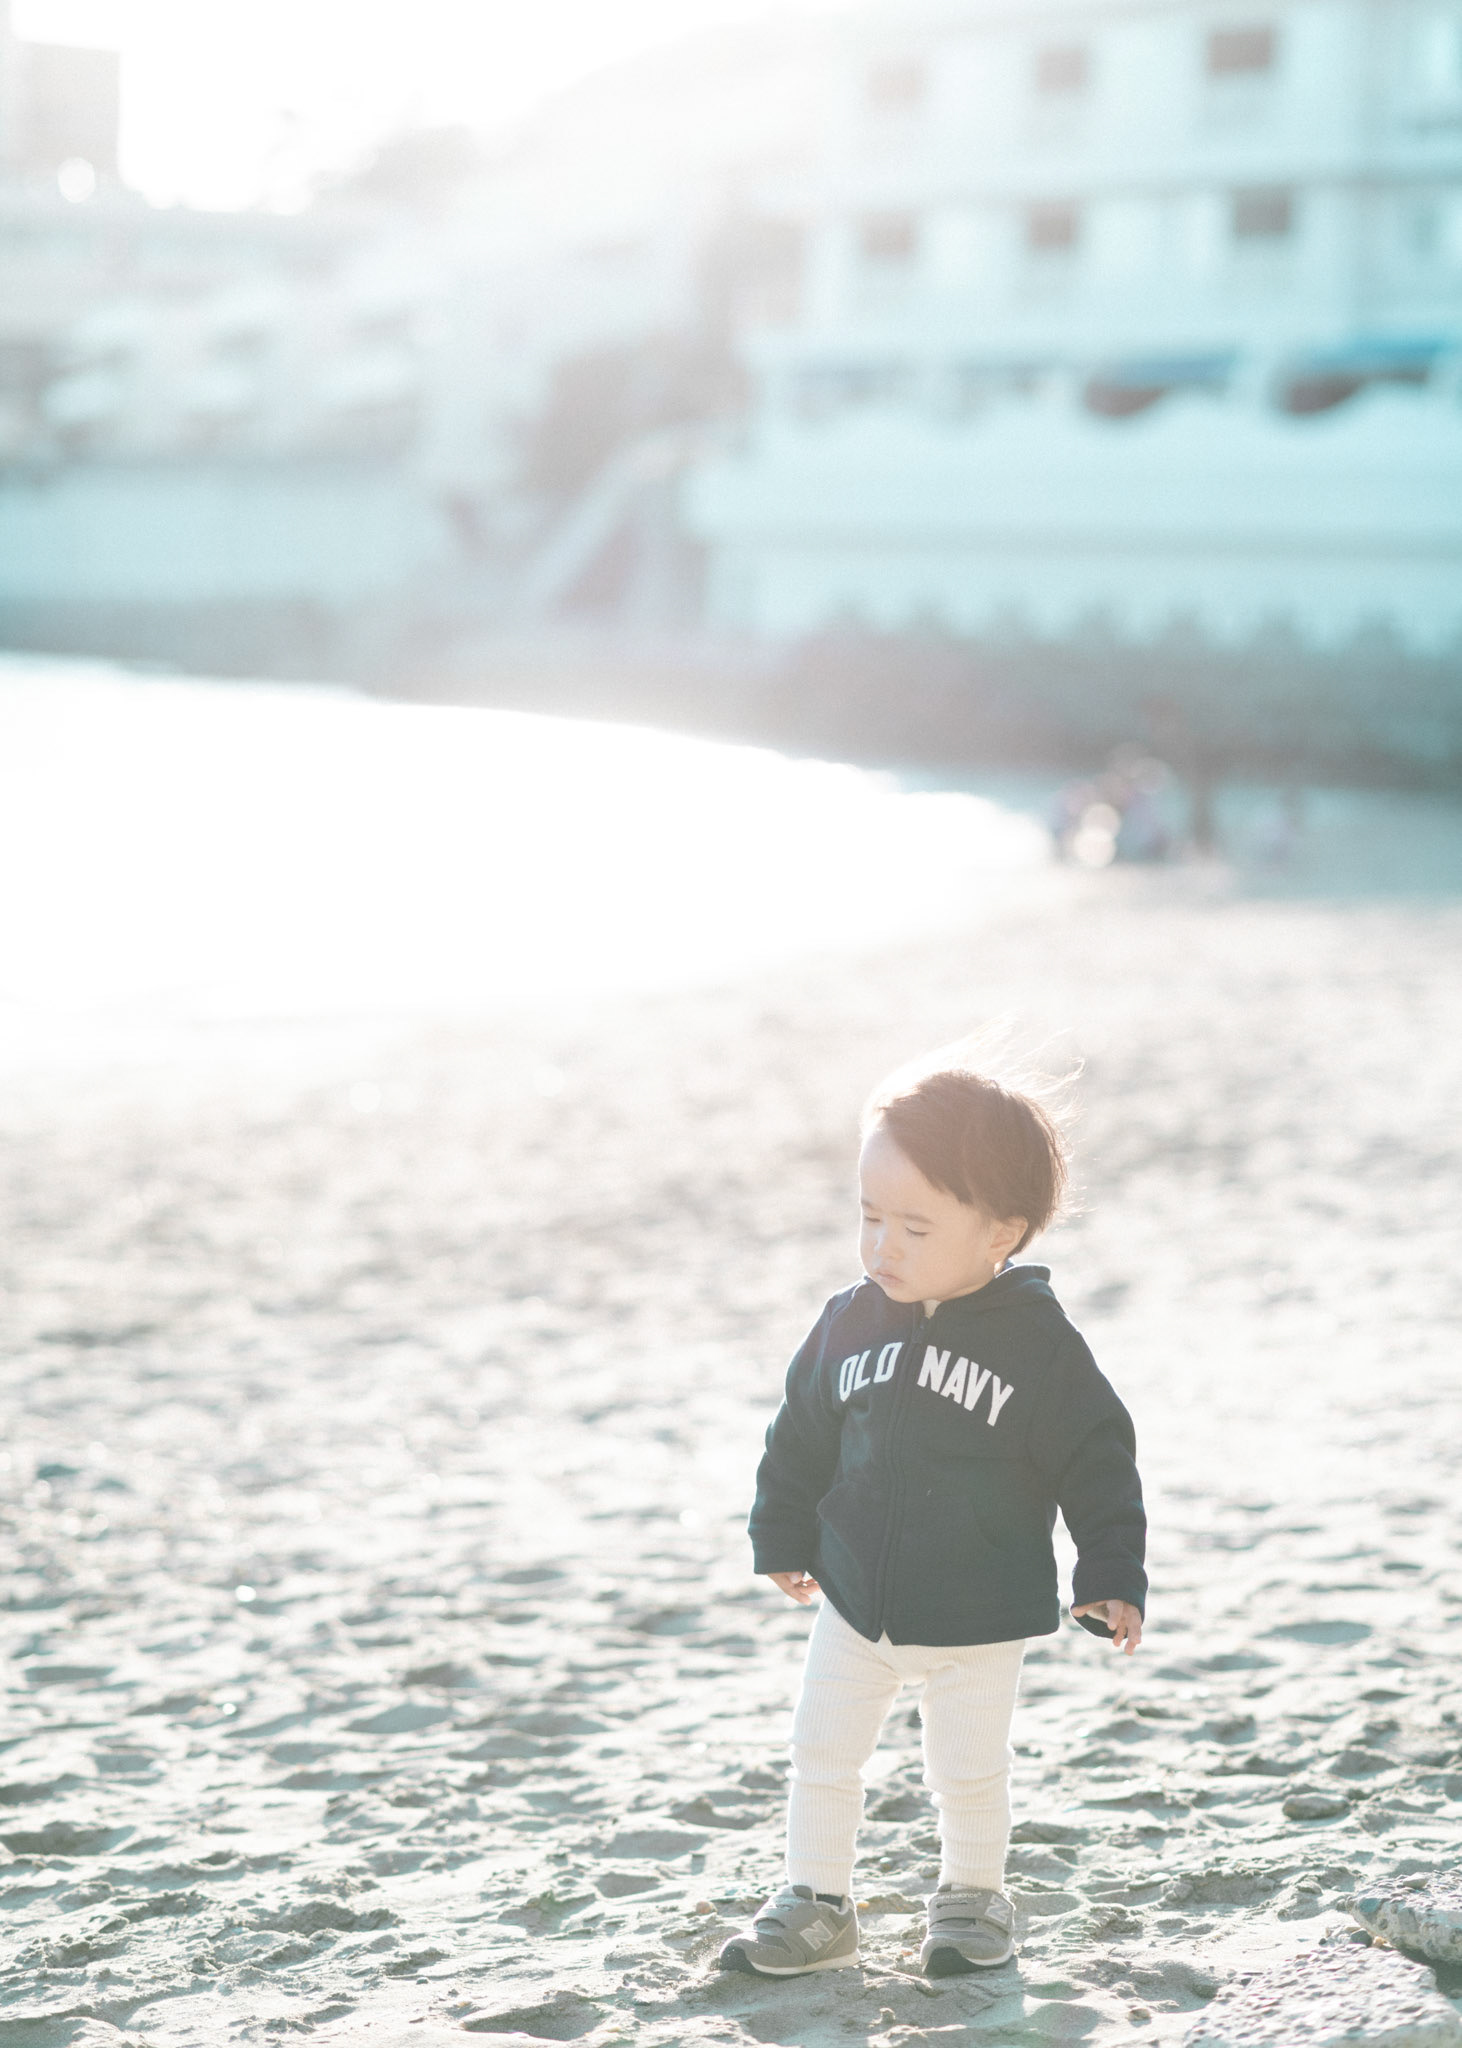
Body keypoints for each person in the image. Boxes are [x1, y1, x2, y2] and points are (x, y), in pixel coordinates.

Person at [718, 1056, 1147, 1981]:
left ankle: (973, 1896)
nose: (885, 1247)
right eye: (870, 1216)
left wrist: (1111, 1572)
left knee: (968, 1770)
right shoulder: (848, 1323)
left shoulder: (1038, 1345)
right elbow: (800, 1434)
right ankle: (817, 1901)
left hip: (979, 1611)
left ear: (1001, 1233)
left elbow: (1097, 1458)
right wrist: (782, 1535)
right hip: (855, 1595)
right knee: (821, 1752)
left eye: (916, 1227)